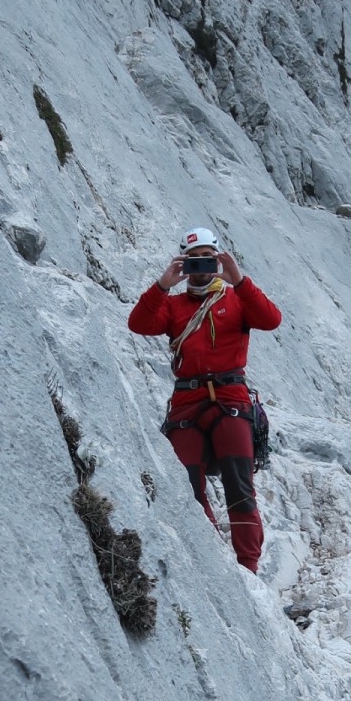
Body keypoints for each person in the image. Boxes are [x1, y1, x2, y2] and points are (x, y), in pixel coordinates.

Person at [129, 227, 281, 573]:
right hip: (188, 406)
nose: (202, 268)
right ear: (184, 264)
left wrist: (240, 280)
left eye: (208, 260)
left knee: (239, 485)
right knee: (187, 486)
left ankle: (248, 567)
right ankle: (210, 556)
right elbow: (138, 323)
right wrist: (162, 285)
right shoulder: (173, 306)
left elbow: (271, 320)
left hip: (231, 402)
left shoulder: (237, 299)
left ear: (218, 261)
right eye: (194, 261)